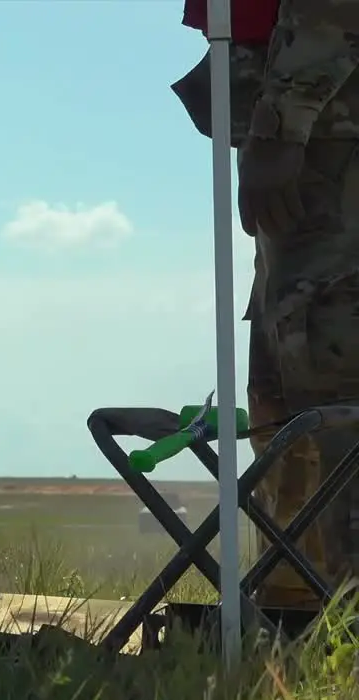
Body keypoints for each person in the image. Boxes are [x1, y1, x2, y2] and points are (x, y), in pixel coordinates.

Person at [173, 0, 359, 608]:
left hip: (328, 143)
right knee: (285, 404)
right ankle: (300, 629)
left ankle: (339, 636)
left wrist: (282, 127)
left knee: (334, 401)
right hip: (310, 152)